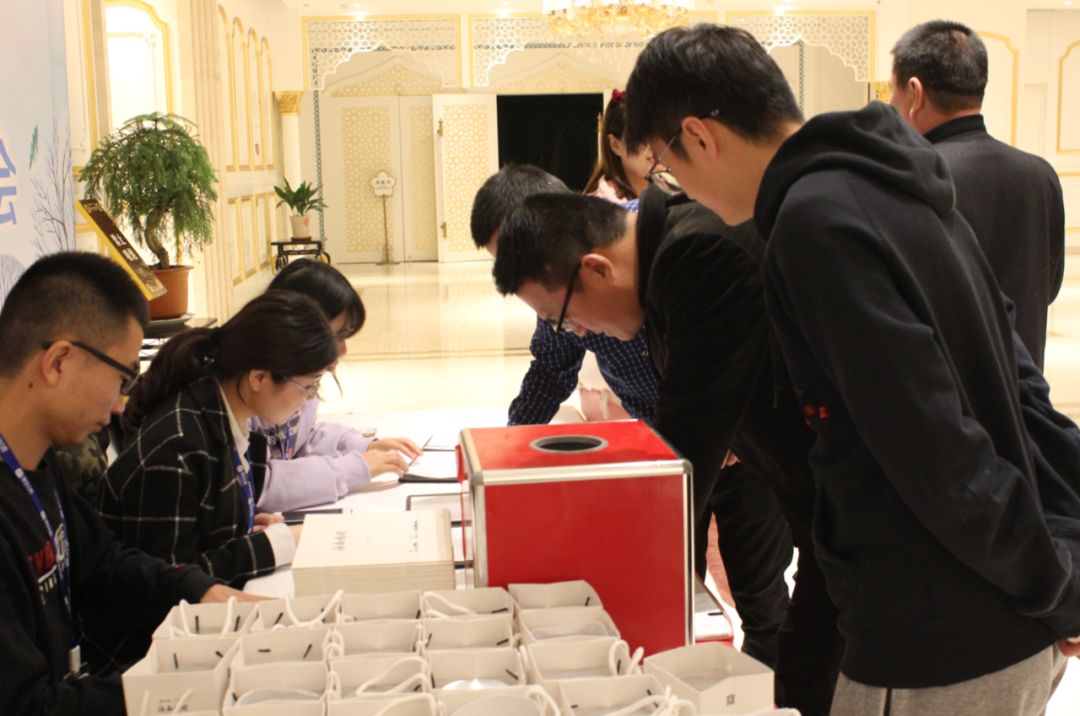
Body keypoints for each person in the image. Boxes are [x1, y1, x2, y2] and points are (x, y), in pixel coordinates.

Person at [623, 23, 1080, 713]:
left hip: (937, 636)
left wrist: (1056, 585)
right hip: (992, 616)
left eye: (666, 168)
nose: (678, 187)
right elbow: (1021, 387)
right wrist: (1060, 569)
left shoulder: (814, 222)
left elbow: (935, 449)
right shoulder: (892, 181)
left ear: (700, 136)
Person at [492, 188, 841, 714]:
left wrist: (595, 571)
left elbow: (685, 455)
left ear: (597, 269)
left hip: (847, 502)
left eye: (564, 318)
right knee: (806, 663)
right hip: (815, 503)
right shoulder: (664, 263)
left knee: (814, 653)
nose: (577, 333)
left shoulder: (696, 256)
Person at [0, 252, 253, 715]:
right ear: (58, 362)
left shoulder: (36, 459)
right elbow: (24, 705)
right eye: (122, 377)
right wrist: (185, 690)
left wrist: (200, 590)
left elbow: (102, 562)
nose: (121, 405)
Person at [890, 20, 1066, 369]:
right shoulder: (1040, 174)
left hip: (946, 388)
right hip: (1023, 386)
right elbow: (1050, 287)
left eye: (891, 94)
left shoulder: (912, 175)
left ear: (914, 93)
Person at [472, 164, 658, 424]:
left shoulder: (651, 237)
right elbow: (551, 371)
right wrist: (513, 437)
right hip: (658, 423)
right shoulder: (555, 296)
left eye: (524, 254)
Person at [254, 259, 422, 512]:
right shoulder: (255, 389)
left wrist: (361, 445)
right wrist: (353, 468)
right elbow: (259, 485)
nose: (343, 350)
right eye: (337, 336)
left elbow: (299, 437)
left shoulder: (298, 378)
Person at [583, 89, 654, 205]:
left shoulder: (678, 196)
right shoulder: (595, 207)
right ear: (615, 145)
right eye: (642, 137)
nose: (656, 146)